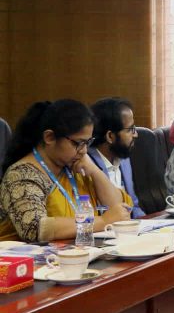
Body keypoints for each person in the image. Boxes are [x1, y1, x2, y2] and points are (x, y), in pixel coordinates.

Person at [0, 100, 131, 242]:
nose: (84, 151)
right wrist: (103, 221)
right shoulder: (21, 174)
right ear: (49, 137)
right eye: (78, 143)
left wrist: (94, 171)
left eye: (87, 143)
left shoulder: (76, 167)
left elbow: (118, 209)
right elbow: (35, 228)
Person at [88, 97, 145, 218]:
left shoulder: (123, 159)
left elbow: (134, 206)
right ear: (110, 136)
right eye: (130, 129)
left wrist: (151, 225)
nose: (136, 134)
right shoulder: (87, 164)